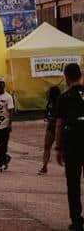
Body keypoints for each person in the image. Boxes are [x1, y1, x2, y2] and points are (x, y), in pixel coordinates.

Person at [54, 63, 84, 231]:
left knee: (73, 183)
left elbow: (59, 124)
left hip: (72, 143)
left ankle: (77, 220)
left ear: (66, 77)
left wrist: (58, 148)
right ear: (80, 76)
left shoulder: (64, 98)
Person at [39, 85, 61, 174]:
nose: (47, 93)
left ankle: (69, 167)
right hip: (50, 128)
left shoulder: (60, 103)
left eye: (49, 92)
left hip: (59, 128)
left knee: (64, 148)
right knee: (47, 146)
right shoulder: (49, 103)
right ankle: (44, 167)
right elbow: (47, 114)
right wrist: (47, 118)